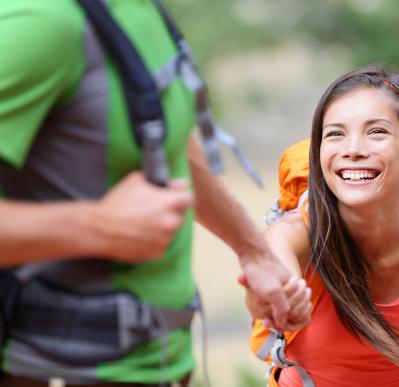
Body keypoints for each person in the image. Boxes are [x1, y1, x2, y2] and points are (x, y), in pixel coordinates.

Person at [0, 0, 309, 386]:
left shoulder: (138, 9)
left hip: (156, 360)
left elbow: (167, 145)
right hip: (59, 367)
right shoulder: (38, 22)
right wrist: (97, 226)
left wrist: (254, 253)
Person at [243, 64, 399, 386]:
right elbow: (270, 278)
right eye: (335, 134)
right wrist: (275, 297)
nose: (353, 150)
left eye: (376, 132)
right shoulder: (292, 237)